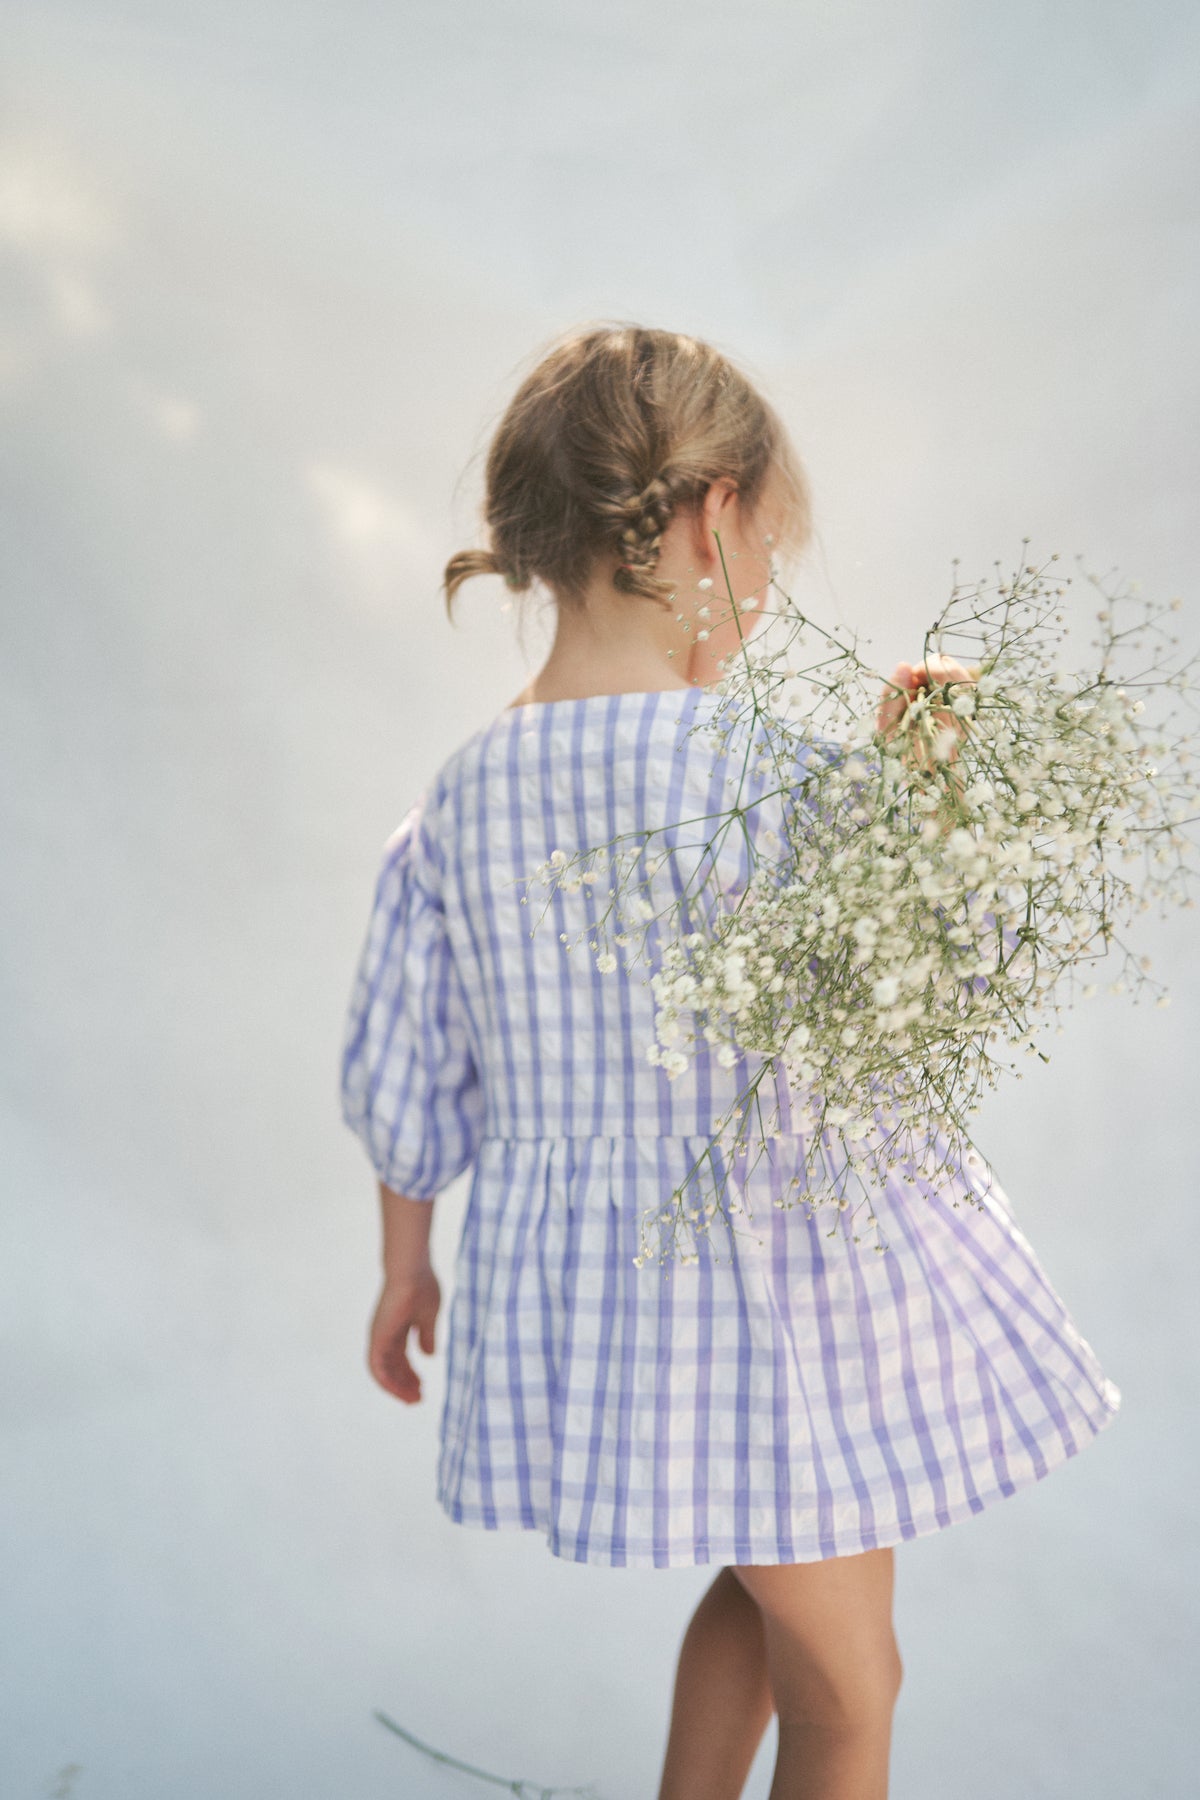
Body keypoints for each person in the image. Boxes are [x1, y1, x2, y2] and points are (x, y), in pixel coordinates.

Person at [338, 324, 1121, 1800]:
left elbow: (407, 1069)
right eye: (767, 550)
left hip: (625, 1299)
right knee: (853, 1682)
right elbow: (930, 979)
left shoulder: (457, 806)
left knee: (768, 1596)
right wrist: (940, 798)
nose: (764, 596)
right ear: (711, 519)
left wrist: (405, 1261)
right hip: (789, 1283)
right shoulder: (771, 782)